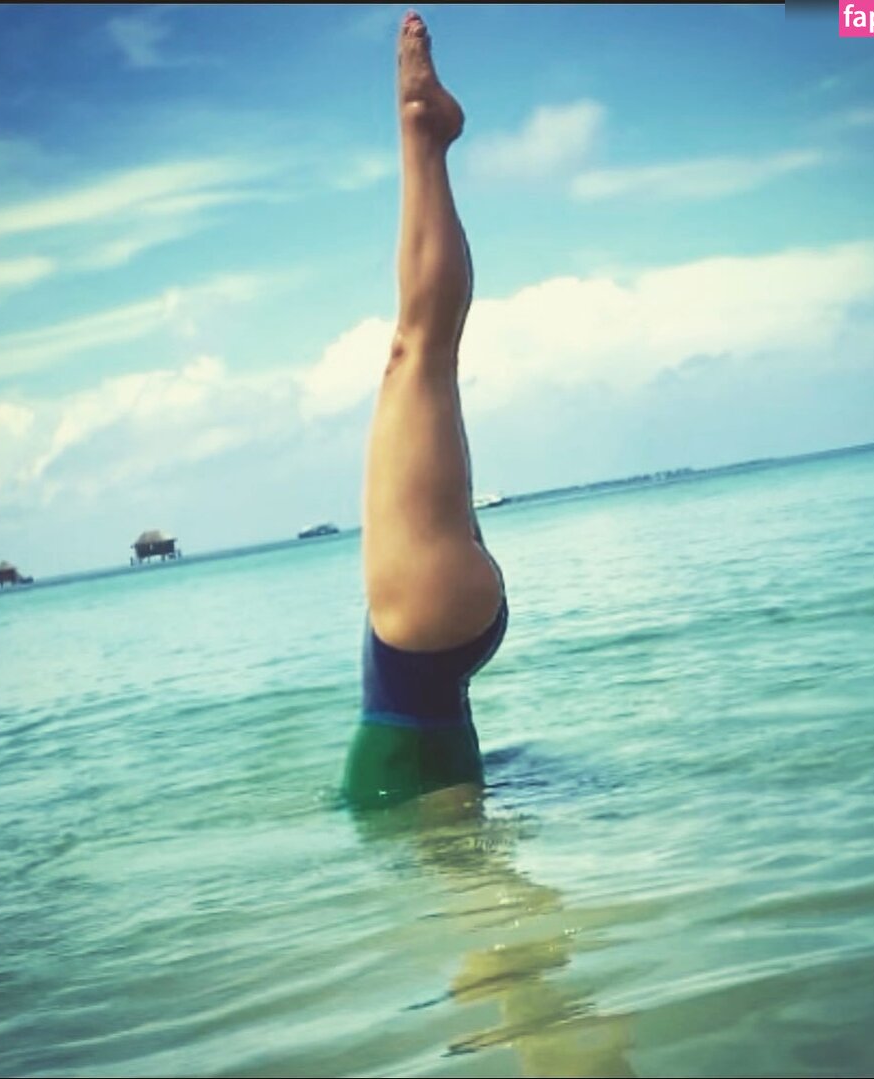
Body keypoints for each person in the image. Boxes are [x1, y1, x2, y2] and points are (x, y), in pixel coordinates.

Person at [342, 10, 507, 811]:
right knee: (421, 352)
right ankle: (421, 134)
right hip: (422, 656)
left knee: (420, 356)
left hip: (425, 673)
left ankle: (423, 136)